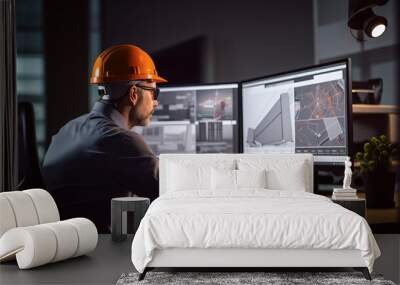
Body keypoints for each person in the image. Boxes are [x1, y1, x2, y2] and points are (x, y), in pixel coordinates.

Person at [42, 45, 167, 232]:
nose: (156, 102)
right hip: (99, 249)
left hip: (68, 242)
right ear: (133, 94)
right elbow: (170, 190)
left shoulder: (67, 129)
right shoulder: (122, 141)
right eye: (153, 92)